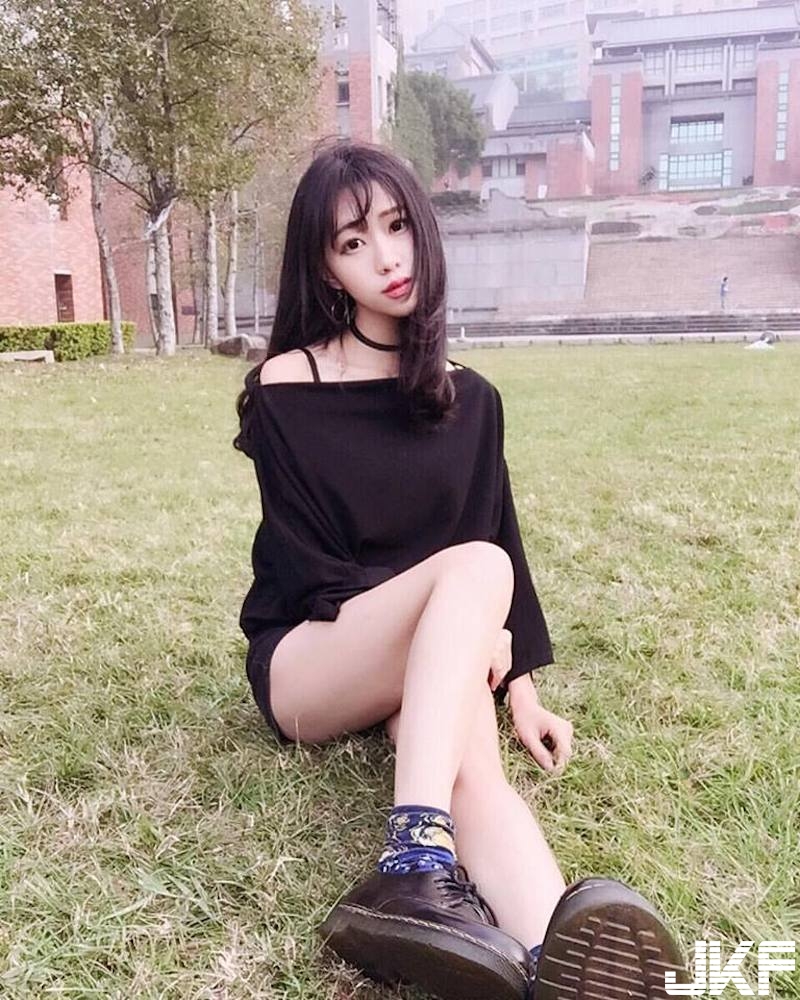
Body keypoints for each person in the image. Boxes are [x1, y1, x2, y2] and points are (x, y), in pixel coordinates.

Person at [234, 141, 686, 1000]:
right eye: (353, 242)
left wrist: (521, 691)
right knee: (473, 573)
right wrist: (455, 627)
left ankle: (557, 962)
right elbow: (309, 570)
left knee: (476, 769)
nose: (386, 256)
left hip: (427, 653)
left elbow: (496, 532)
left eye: (397, 226)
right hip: (312, 661)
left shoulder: (471, 398)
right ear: (327, 269)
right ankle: (412, 860)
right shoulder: (289, 385)